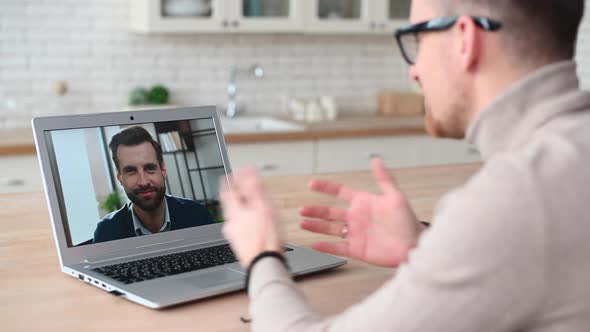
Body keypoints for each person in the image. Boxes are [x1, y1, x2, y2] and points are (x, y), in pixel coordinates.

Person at [220, 0, 590, 331]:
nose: (414, 71)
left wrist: (263, 254)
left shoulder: (515, 199)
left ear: (465, 38)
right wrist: (429, 246)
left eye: (418, 39)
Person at [93, 126, 214, 243]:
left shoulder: (198, 216)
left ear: (163, 170)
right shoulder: (106, 233)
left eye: (150, 168)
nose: (143, 182)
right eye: (131, 171)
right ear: (119, 177)